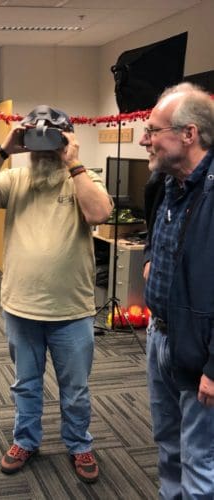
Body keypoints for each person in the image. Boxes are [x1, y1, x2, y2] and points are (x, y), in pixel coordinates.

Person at [0, 106, 113, 482]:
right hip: (21, 307)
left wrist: (75, 162)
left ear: (68, 138)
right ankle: (25, 440)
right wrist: (3, 149)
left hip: (72, 309)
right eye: (38, 138)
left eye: (54, 138)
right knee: (25, 385)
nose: (45, 146)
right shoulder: (15, 178)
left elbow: (99, 214)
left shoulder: (84, 177)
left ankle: (79, 445)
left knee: (75, 389)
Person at [139, 82, 214, 499]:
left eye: (153, 130)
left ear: (189, 134)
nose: (144, 139)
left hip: (200, 350)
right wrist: (150, 255)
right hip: (160, 334)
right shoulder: (164, 183)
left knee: (200, 458)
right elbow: (157, 231)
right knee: (168, 444)